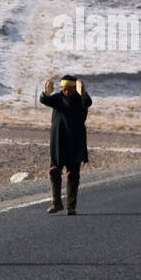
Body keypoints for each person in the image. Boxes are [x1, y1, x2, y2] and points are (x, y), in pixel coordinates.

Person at [39, 76, 92, 215]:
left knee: (73, 175)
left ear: (75, 89)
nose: (65, 91)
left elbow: (88, 102)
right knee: (54, 172)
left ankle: (71, 206)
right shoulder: (57, 98)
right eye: (63, 89)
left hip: (75, 141)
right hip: (58, 141)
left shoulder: (81, 99)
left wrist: (83, 92)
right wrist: (46, 92)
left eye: (68, 89)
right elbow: (44, 100)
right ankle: (56, 204)